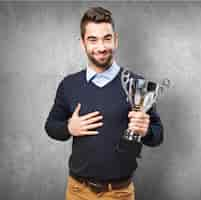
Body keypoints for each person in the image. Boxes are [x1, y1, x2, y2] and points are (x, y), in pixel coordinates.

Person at [44, 6, 164, 200]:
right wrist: (68, 127)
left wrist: (147, 130)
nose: (101, 47)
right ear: (83, 43)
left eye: (107, 38)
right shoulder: (68, 85)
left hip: (119, 193)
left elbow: (158, 135)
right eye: (93, 39)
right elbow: (50, 126)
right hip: (77, 192)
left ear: (116, 40)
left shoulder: (138, 85)